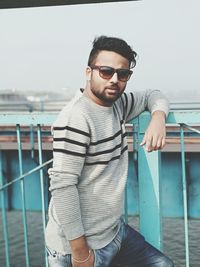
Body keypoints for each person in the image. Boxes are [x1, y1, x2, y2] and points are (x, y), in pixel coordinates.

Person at [45, 36, 174, 267]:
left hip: (113, 232)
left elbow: (152, 94)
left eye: (123, 74)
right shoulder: (76, 118)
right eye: (106, 71)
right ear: (88, 72)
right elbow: (62, 187)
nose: (115, 80)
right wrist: (81, 253)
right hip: (78, 248)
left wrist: (158, 116)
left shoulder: (118, 104)